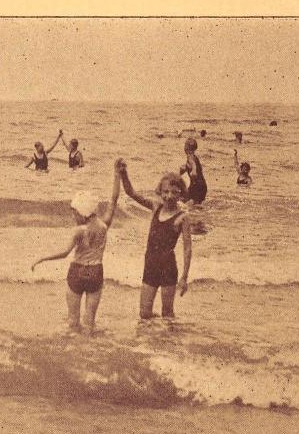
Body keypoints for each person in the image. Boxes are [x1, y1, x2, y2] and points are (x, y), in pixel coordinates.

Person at [31, 163, 121, 336]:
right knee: (89, 323)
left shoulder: (79, 231)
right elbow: (114, 201)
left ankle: (74, 349)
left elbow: (65, 253)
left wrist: (42, 258)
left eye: (75, 213)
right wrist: (117, 175)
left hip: (77, 272)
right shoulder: (104, 225)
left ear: (82, 212)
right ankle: (86, 350)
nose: (73, 216)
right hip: (96, 272)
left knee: (73, 321)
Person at [118, 161, 192, 319]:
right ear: (160, 191)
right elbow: (131, 192)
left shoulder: (183, 218)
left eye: (174, 192)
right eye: (165, 192)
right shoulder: (155, 206)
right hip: (150, 263)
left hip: (168, 267)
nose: (169, 196)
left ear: (180, 194)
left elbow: (187, 249)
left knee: (167, 313)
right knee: (144, 313)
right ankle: (151, 338)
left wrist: (184, 277)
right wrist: (124, 174)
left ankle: (168, 340)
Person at [179, 138, 208, 204]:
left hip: (196, 186)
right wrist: (184, 169)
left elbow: (194, 167)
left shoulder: (190, 157)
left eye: (185, 145)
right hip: (202, 186)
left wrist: (194, 173)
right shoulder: (194, 157)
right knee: (196, 206)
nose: (184, 148)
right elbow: (191, 166)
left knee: (183, 200)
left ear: (187, 148)